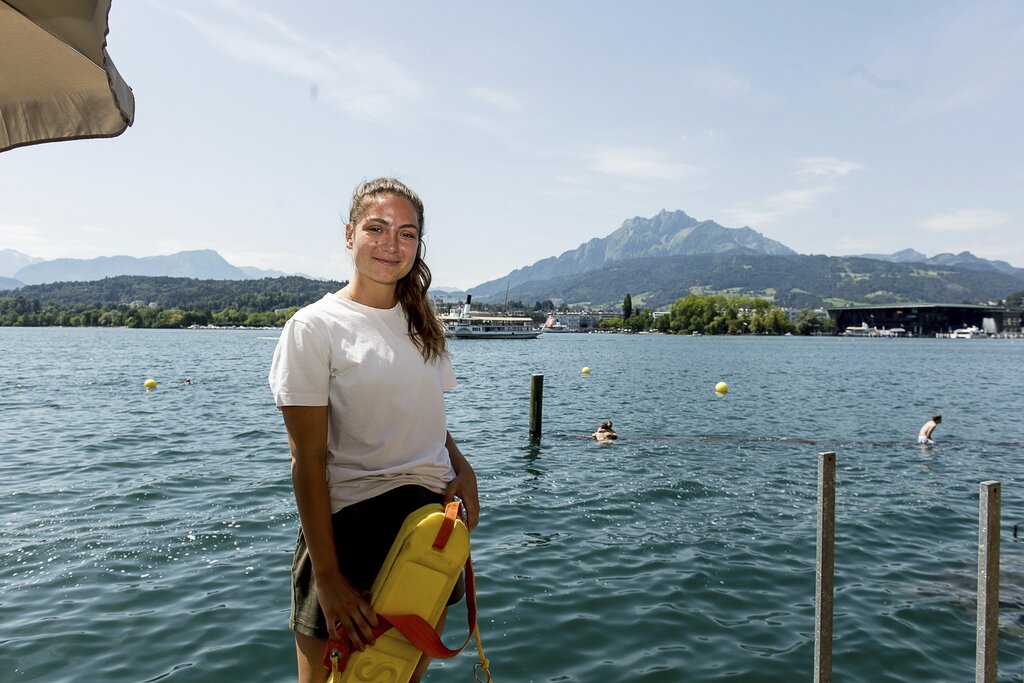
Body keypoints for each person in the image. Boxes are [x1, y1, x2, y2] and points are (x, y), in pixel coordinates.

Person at [268, 178, 479, 683]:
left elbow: (427, 417)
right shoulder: (314, 327)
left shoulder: (423, 322)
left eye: (407, 234)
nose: (391, 244)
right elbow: (307, 459)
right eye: (376, 228)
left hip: (430, 529)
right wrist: (328, 578)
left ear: (418, 246)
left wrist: (464, 468)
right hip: (350, 534)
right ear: (349, 234)